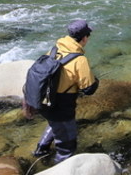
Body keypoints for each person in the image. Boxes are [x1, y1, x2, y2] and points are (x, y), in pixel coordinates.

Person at [33, 19, 99, 164]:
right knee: (67, 146)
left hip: (44, 100)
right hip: (62, 106)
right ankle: (60, 166)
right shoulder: (80, 60)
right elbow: (88, 89)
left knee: (54, 123)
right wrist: (96, 80)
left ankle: (41, 150)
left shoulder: (54, 50)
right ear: (84, 38)